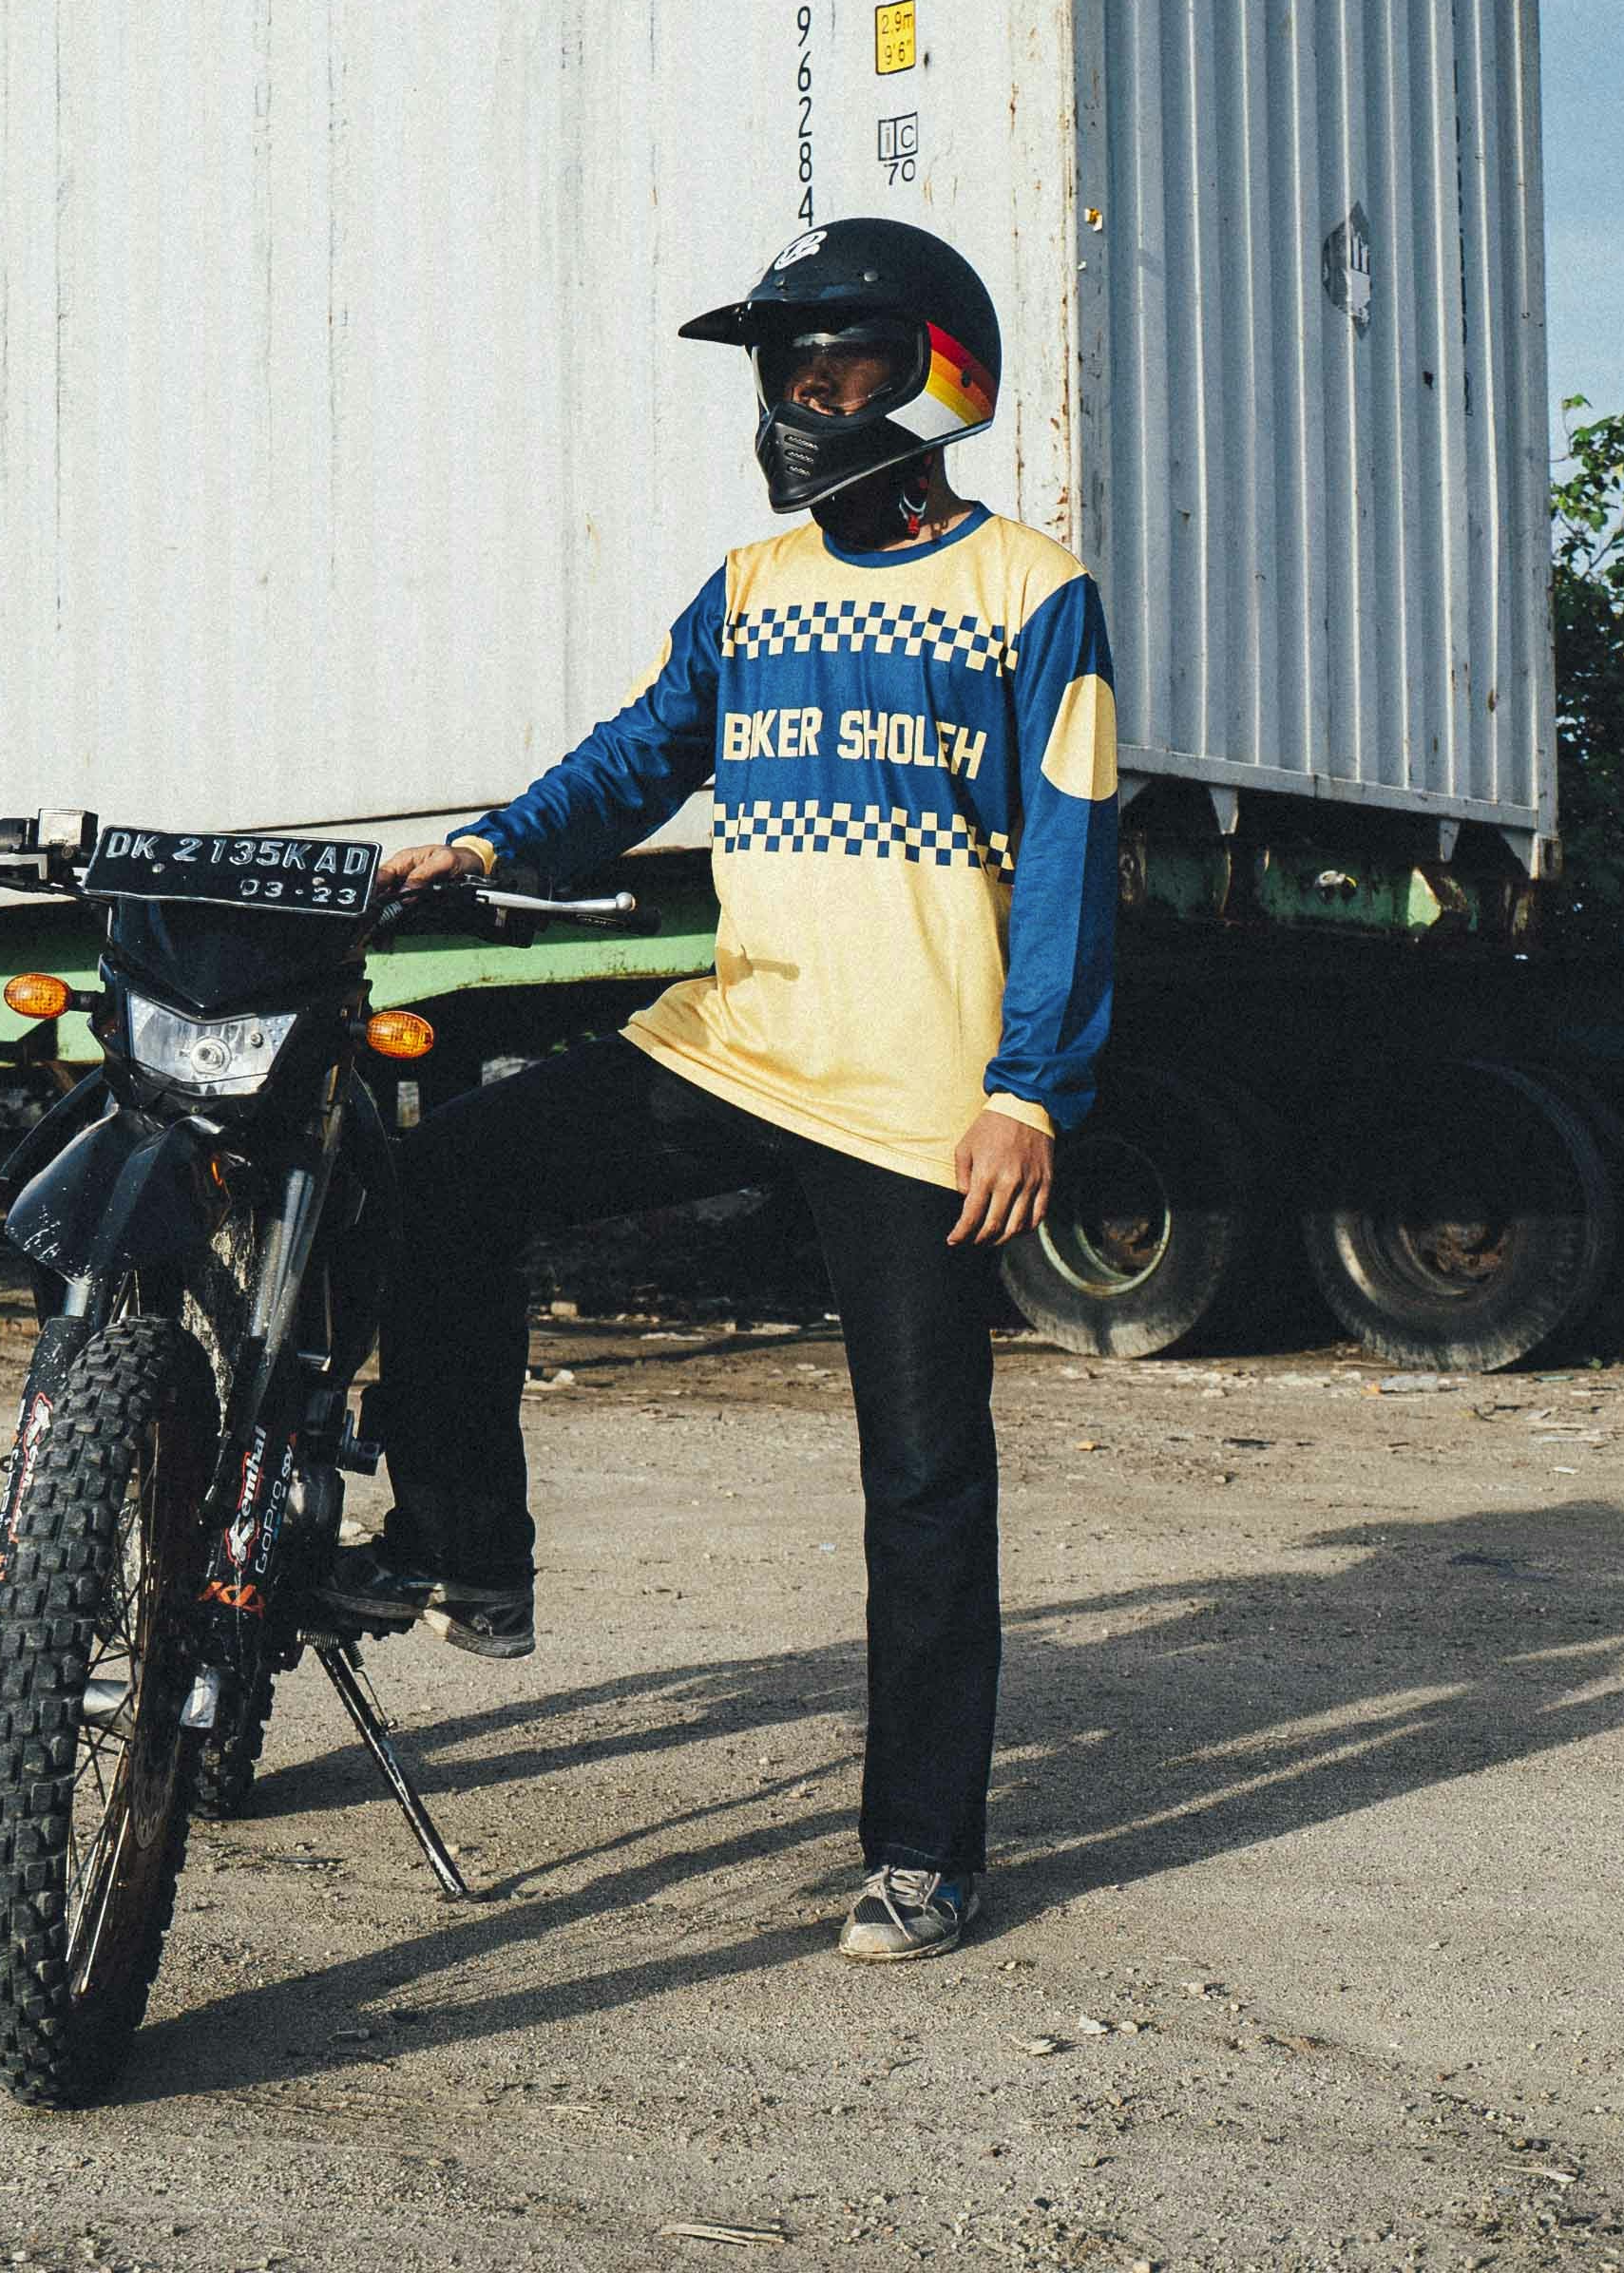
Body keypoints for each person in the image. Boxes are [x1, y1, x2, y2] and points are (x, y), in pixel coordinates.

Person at [328, 218, 1121, 1963]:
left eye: (835, 362)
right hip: (736, 1041)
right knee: (449, 1173)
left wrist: (1031, 1094)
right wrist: (483, 844)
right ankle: (470, 1544)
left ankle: (924, 1849)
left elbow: (1071, 860)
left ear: (936, 374)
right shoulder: (752, 590)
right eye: (784, 367)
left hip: (917, 1095)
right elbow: (638, 756)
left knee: (924, 1477)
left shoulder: (1033, 595)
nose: (800, 397)